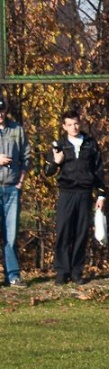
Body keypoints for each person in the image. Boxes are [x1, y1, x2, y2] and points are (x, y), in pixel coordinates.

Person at [44, 109, 105, 285]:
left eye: (76, 123)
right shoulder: (59, 144)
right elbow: (48, 172)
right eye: (70, 124)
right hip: (67, 192)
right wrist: (56, 161)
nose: (74, 127)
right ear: (64, 126)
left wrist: (101, 195)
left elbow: (98, 170)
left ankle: (77, 271)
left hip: (85, 193)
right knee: (63, 231)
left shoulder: (91, 143)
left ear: (81, 123)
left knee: (81, 233)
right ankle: (62, 271)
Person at [0, 97, 31, 287]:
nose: (0, 114)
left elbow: (26, 157)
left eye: (2, 110)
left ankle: (13, 275)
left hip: (12, 189)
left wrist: (20, 181)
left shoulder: (16, 129)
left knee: (10, 234)